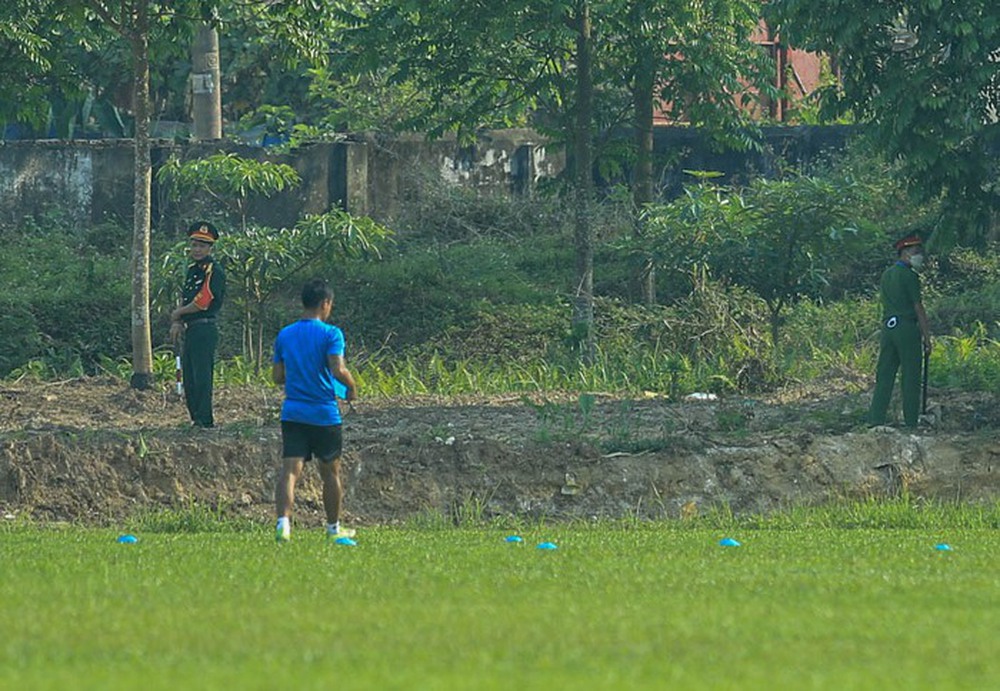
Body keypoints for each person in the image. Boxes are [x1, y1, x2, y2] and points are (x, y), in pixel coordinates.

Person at [273, 278, 358, 543]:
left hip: (293, 412)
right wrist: (352, 388)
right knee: (330, 473)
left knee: (290, 470)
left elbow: (277, 376)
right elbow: (338, 369)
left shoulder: (285, 334)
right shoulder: (332, 334)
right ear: (325, 303)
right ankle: (333, 529)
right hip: (323, 414)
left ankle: (283, 524)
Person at [868, 234, 932, 428]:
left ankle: (875, 419)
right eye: (915, 252)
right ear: (904, 253)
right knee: (911, 375)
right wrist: (927, 337)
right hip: (906, 328)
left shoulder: (887, 274)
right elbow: (917, 307)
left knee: (885, 374)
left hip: (888, 327)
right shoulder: (910, 276)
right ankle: (911, 422)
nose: (919, 256)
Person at [169, 221, 226, 429]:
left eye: (202, 246)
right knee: (189, 377)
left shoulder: (214, 271)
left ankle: (205, 420)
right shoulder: (193, 271)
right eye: (194, 245)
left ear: (210, 248)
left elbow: (203, 301)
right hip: (191, 328)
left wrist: (178, 313)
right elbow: (186, 299)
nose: (197, 249)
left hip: (205, 328)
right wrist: (178, 320)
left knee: (202, 376)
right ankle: (195, 419)